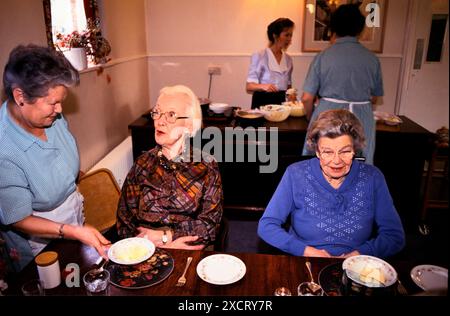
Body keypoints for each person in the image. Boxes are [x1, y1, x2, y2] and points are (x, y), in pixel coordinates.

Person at [0, 44, 110, 272]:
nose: (60, 110)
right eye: (52, 103)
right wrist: (71, 230)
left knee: (80, 274)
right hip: (36, 241)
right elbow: (17, 218)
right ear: (20, 96)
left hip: (72, 221)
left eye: (61, 101)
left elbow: (59, 162)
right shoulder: (4, 149)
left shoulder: (51, 117)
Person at [258, 109, 405, 258]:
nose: (336, 161)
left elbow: (394, 236)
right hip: (305, 260)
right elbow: (267, 226)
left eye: (345, 151)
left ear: (355, 149)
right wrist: (306, 251)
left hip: (358, 265)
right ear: (317, 151)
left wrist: (359, 255)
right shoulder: (295, 174)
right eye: (327, 152)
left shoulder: (373, 177)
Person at [116, 85, 223, 250]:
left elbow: (210, 225)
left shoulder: (207, 166)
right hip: (144, 248)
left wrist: (167, 238)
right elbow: (124, 220)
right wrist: (143, 245)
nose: (160, 120)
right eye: (157, 112)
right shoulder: (142, 164)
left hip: (188, 246)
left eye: (171, 115)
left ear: (188, 125)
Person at [301, 4, 383, 164]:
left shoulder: (323, 57)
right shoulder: (372, 59)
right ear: (360, 28)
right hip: (361, 119)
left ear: (334, 27)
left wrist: (311, 116)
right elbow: (374, 98)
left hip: (328, 117)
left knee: (323, 165)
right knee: (359, 168)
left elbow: (306, 98)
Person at [246, 18, 295, 109]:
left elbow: (288, 87)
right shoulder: (259, 56)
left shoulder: (288, 59)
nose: (289, 39)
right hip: (262, 102)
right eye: (286, 35)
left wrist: (291, 96)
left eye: (291, 35)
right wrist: (264, 86)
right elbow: (249, 86)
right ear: (275, 36)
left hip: (281, 104)